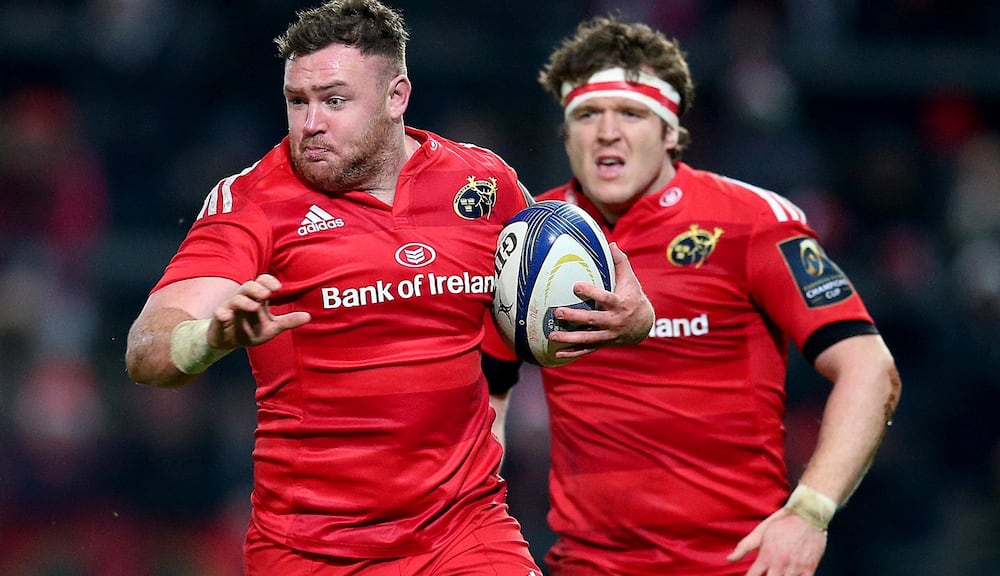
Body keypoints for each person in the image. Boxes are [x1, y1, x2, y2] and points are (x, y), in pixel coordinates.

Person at [124, 2, 653, 574]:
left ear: (396, 96)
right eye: (296, 102)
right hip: (314, 549)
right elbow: (146, 348)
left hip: (465, 531)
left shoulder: (483, 182)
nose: (310, 124)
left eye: (334, 100)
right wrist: (207, 337)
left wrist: (631, 321)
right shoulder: (254, 201)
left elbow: (546, 299)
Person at [487, 16, 903, 576]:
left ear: (670, 132)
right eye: (586, 115)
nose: (606, 132)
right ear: (565, 133)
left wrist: (809, 512)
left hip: (737, 565)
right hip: (585, 565)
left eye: (631, 113)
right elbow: (484, 391)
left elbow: (870, 368)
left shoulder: (751, 223)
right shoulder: (528, 238)